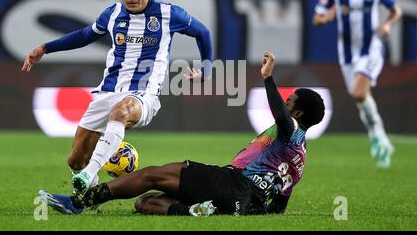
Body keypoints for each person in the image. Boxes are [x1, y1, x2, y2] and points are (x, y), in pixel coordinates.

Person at [39, 51, 325, 216]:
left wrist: (268, 78)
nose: (284, 104)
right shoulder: (299, 158)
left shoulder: (291, 129)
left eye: (290, 103)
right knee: (145, 202)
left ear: (298, 114)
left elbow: (280, 116)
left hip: (232, 183)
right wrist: (248, 211)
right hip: (242, 202)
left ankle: (78, 202)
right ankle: (199, 210)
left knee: (152, 173)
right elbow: (279, 208)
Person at [22, 0, 212, 194]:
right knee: (75, 160)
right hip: (108, 91)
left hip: (144, 94)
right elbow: (84, 36)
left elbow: (203, 33)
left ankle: (89, 174)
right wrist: (45, 48)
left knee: (121, 113)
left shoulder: (169, 14)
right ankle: (87, 193)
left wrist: (206, 70)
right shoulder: (111, 14)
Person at [313, 0, 402, 168]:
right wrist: (327, 17)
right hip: (347, 54)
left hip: (371, 47)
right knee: (359, 99)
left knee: (360, 93)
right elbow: (317, 18)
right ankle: (379, 139)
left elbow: (396, 11)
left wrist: (388, 25)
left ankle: (378, 136)